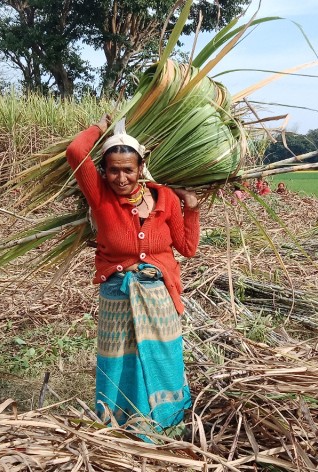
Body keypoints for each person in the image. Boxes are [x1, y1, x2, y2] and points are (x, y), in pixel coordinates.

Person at [66, 115, 199, 434]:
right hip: (119, 296)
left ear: (141, 168)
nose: (121, 177)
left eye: (128, 169)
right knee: (120, 363)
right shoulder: (99, 197)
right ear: (104, 171)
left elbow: (187, 247)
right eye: (113, 169)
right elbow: (75, 151)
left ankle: (167, 425)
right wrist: (100, 127)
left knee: (163, 357)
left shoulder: (164, 197)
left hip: (158, 296)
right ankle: (119, 426)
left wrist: (191, 208)